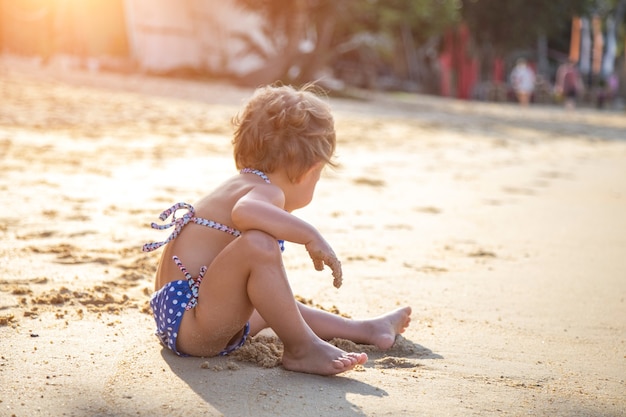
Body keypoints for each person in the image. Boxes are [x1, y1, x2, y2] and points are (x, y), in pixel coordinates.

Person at [142, 84, 412, 376]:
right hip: (195, 324)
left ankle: (366, 329)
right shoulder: (266, 191)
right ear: (311, 171)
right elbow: (245, 213)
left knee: (275, 302)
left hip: (181, 320)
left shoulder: (241, 183)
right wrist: (310, 235)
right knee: (258, 245)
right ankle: (302, 348)